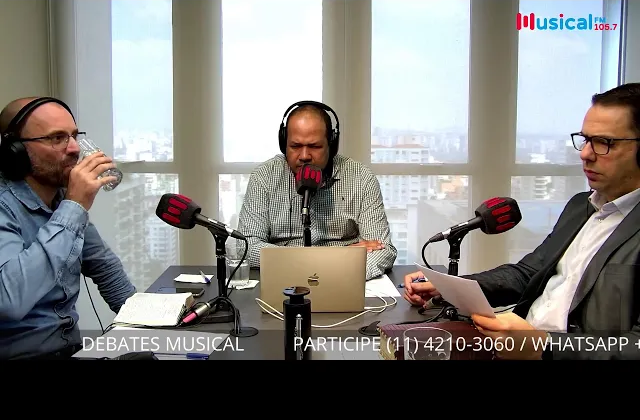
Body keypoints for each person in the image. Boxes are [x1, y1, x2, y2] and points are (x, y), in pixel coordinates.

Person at [403, 82, 640, 360]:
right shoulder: (581, 206)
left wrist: (543, 346)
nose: (585, 153)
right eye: (586, 139)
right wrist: (449, 287)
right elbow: (526, 274)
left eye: (604, 143)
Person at [0, 96, 136, 360]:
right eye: (57, 138)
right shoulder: (6, 206)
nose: (74, 148)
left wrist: (151, 326)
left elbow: (105, 267)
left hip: (71, 351)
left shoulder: (61, 199)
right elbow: (9, 300)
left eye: (74, 135)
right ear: (15, 150)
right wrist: (74, 206)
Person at [237, 100, 397, 280]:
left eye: (314, 147)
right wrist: (334, 258)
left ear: (332, 145)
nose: (304, 156)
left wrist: (320, 270)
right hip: (288, 279)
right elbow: (246, 247)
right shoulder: (264, 176)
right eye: (295, 146)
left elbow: (382, 249)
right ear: (284, 144)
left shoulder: (361, 178)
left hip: (342, 281)